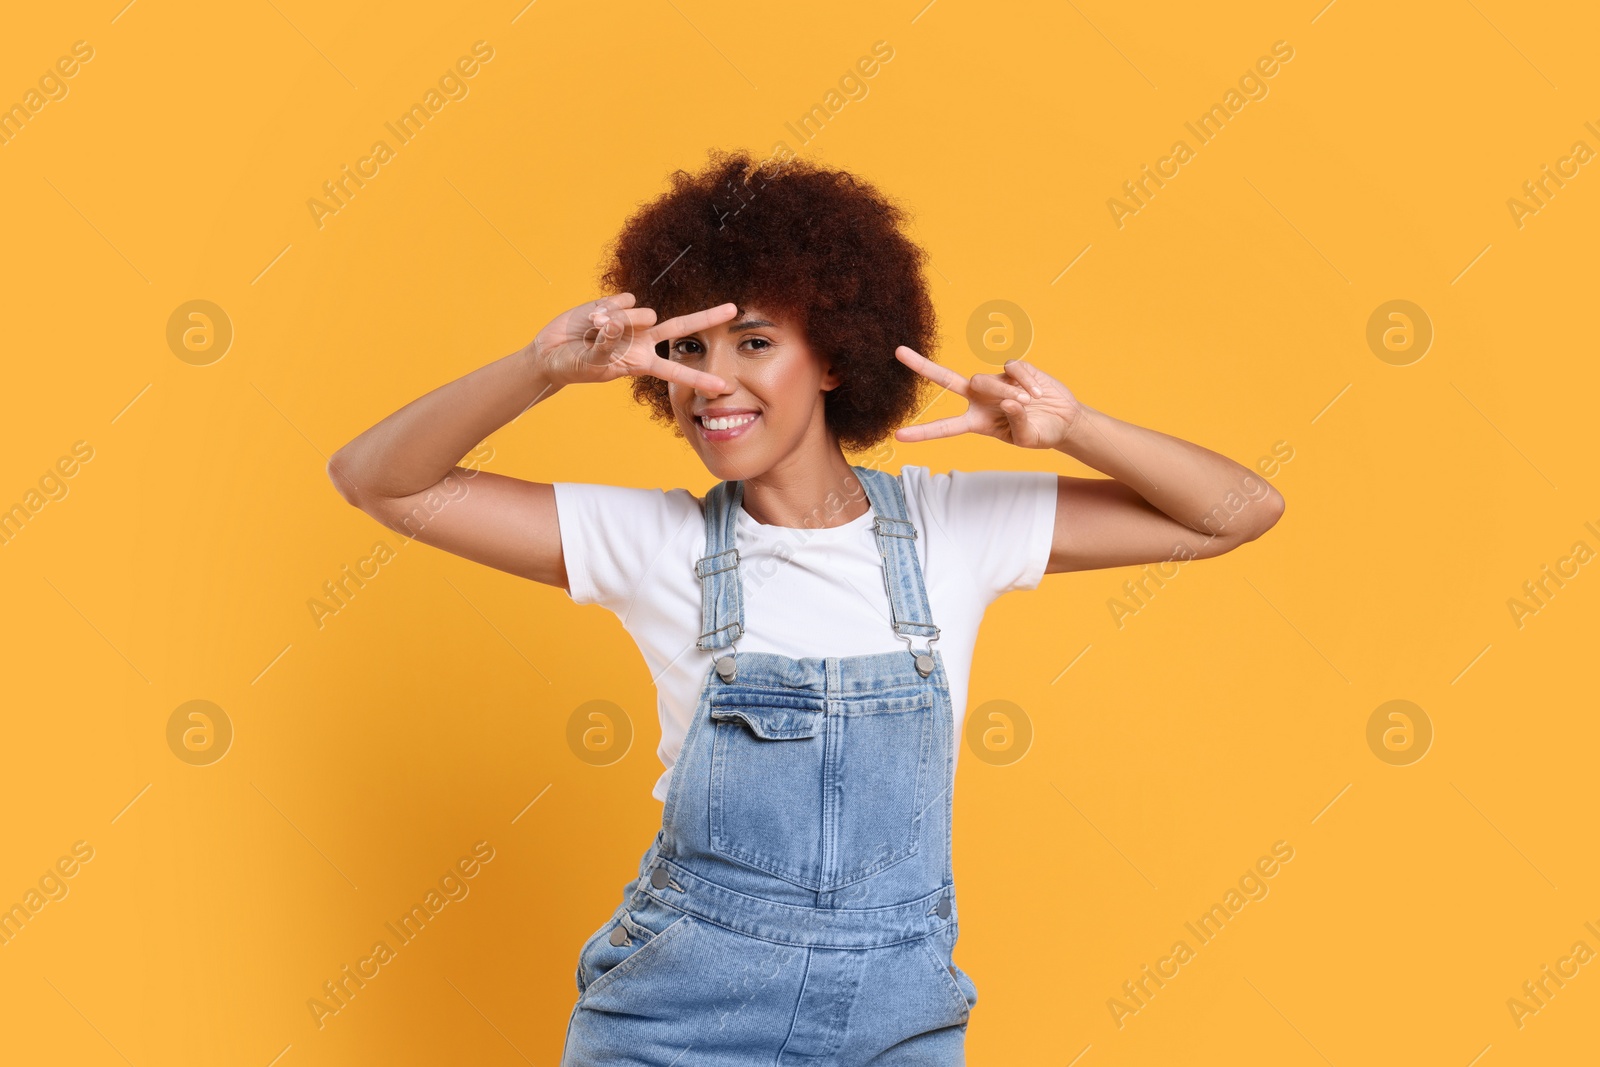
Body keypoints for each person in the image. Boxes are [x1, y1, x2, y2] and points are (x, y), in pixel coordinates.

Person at [326, 149, 1285, 1064]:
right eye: (689, 348)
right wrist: (541, 367)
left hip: (895, 1030)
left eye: (755, 342)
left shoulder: (952, 527)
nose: (717, 382)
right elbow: (380, 481)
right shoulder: (655, 543)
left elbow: (1239, 511)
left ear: (832, 358)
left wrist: (1075, 429)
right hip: (674, 1029)